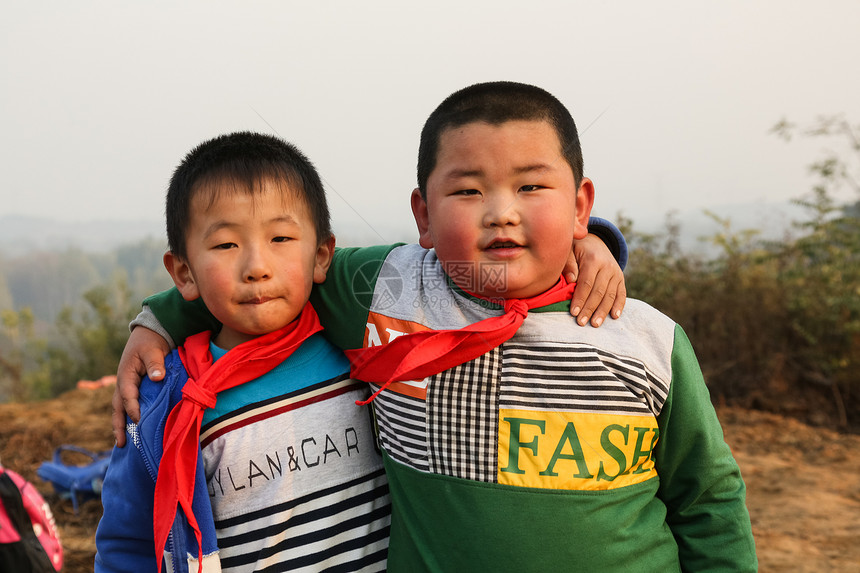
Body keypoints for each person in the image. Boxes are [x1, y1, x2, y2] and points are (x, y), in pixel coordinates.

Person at [94, 132, 392, 572]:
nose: (256, 266)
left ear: (322, 255)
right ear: (183, 272)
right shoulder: (165, 405)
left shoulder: (366, 356)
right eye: (226, 245)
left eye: (282, 238)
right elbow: (126, 545)